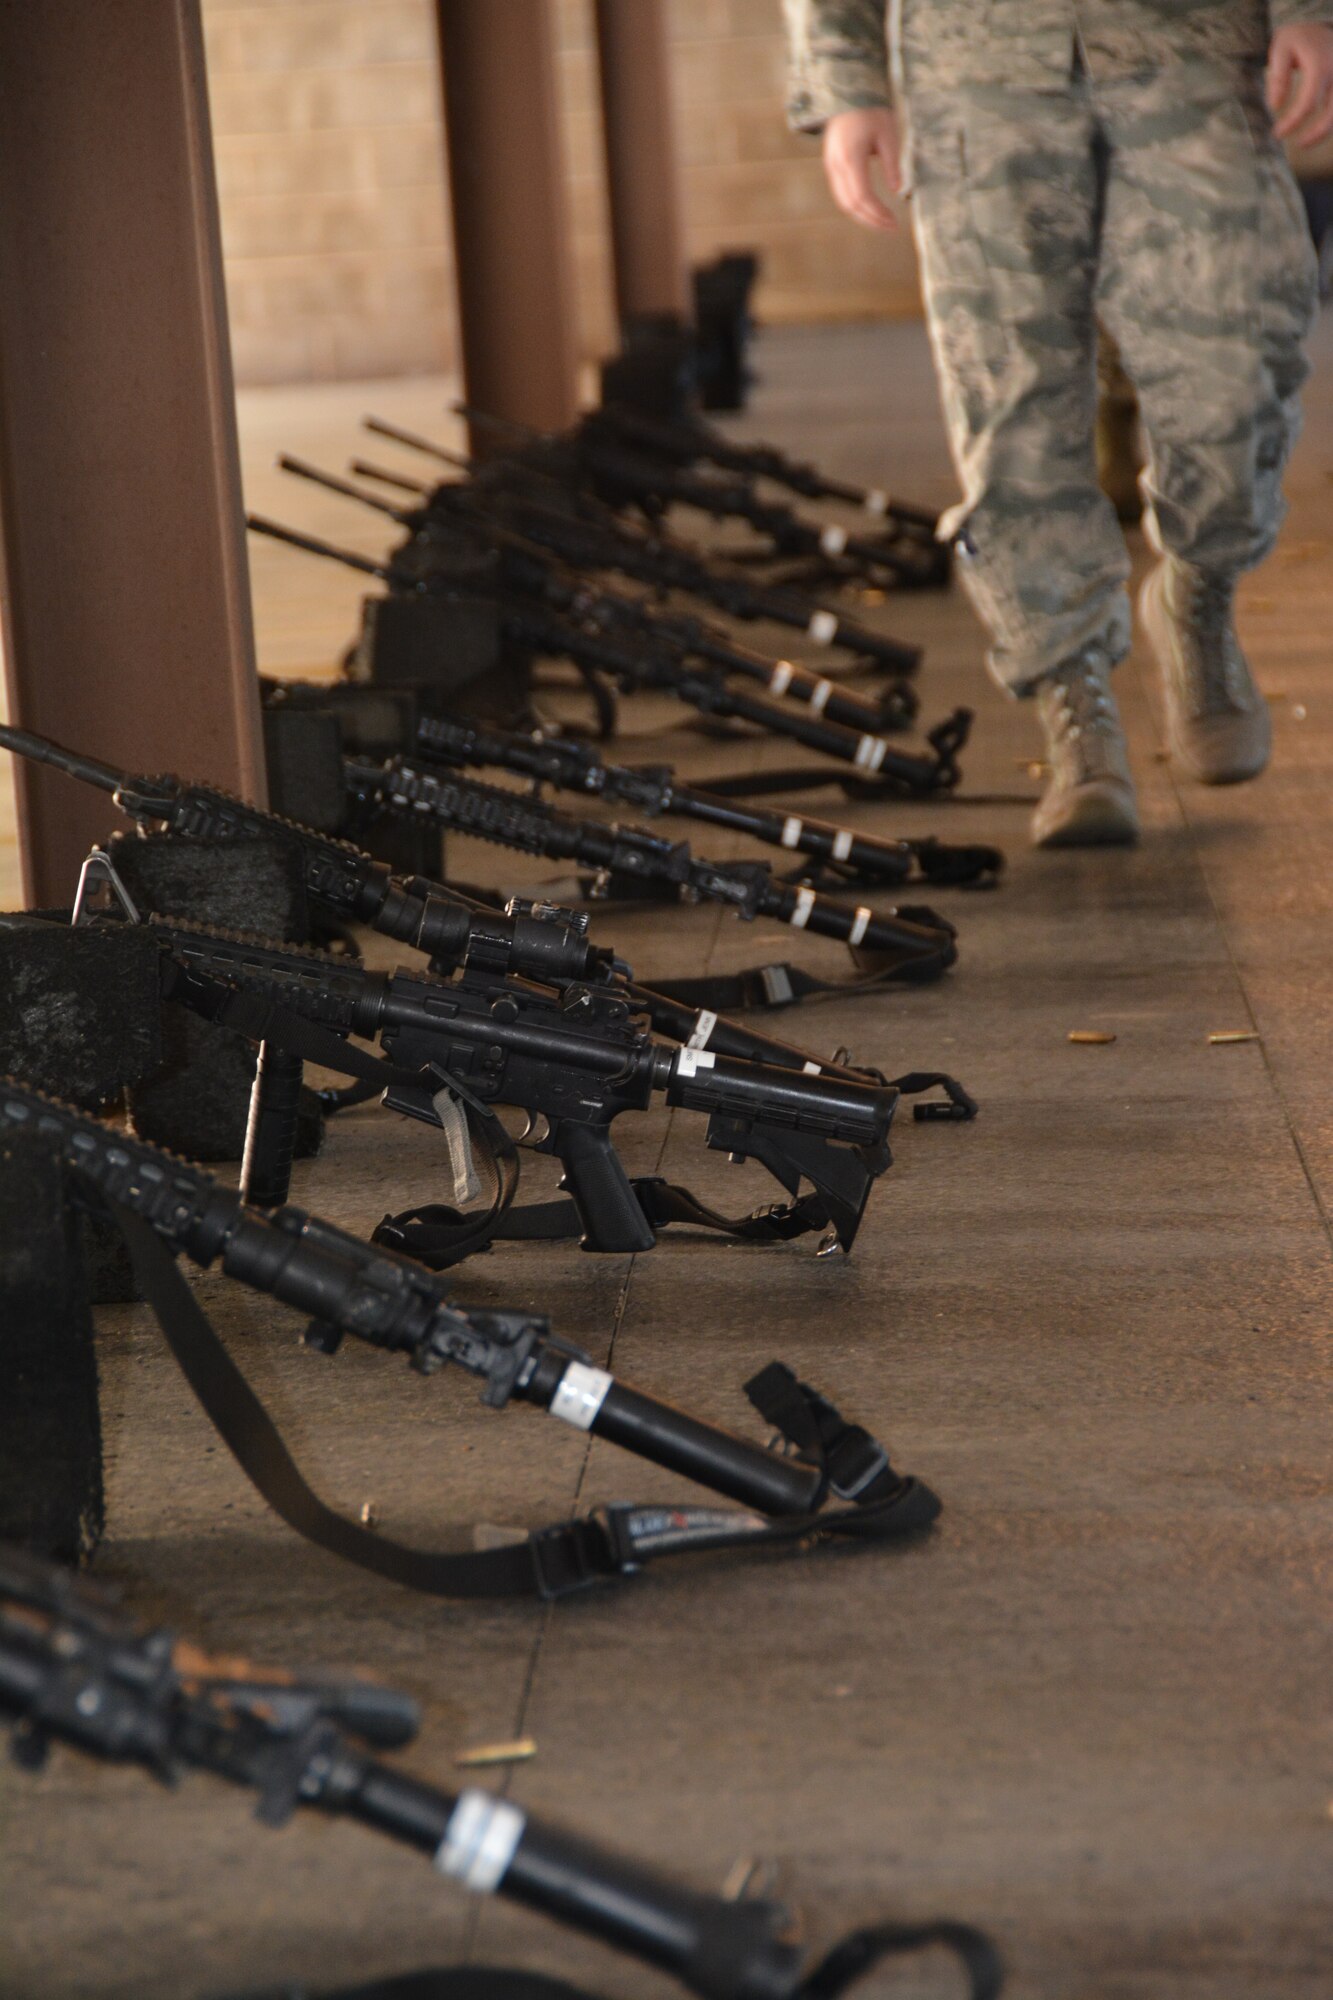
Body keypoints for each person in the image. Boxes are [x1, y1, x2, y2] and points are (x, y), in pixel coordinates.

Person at [784, 3, 1333, 846]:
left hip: (1192, 50)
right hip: (977, 71)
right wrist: (844, 80)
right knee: (1009, 399)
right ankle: (1073, 700)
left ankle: (1198, 590)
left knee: (1240, 362)